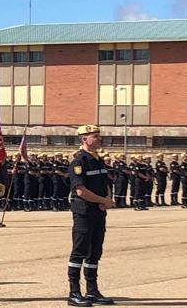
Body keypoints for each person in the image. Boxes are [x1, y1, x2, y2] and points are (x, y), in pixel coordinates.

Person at [66, 125, 114, 307]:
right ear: (84, 139)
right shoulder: (79, 162)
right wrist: (102, 200)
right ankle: (74, 292)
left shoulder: (98, 160)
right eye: (95, 136)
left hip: (98, 211)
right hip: (84, 211)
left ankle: (92, 291)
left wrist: (107, 200)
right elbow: (80, 191)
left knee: (95, 252)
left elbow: (105, 183)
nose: (99, 139)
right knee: (79, 251)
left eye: (99, 136)